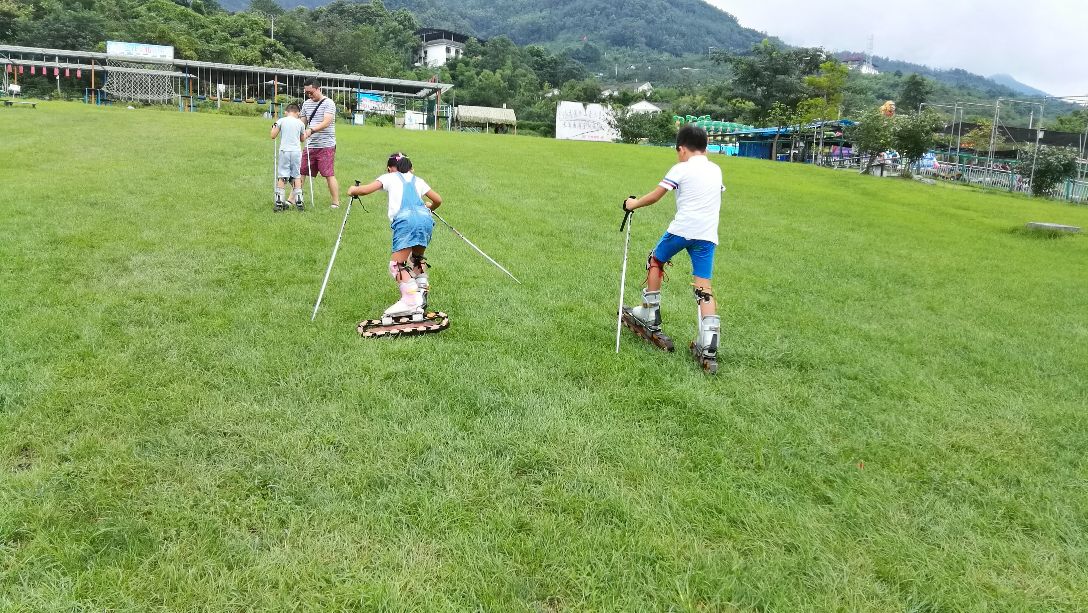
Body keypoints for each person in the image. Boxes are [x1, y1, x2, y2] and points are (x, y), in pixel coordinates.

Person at [622, 124, 724, 361]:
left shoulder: (681, 168)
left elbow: (656, 195)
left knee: (656, 259)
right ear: (705, 147)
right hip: (707, 235)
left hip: (683, 229)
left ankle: (649, 313)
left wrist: (632, 204)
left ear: (681, 149)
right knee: (703, 287)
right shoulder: (716, 169)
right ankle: (709, 341)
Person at [348, 153, 443, 319]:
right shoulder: (418, 180)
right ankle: (421, 287)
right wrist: (429, 207)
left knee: (396, 265)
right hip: (425, 220)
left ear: (390, 169)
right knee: (418, 258)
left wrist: (353, 190)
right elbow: (438, 200)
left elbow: (364, 190)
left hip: (405, 222)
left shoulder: (389, 177)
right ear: (410, 168)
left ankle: (411, 300)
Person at [300, 80, 341, 208]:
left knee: (328, 174)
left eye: (311, 92)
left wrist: (311, 130)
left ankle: (336, 202)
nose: (309, 95)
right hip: (310, 145)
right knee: (301, 172)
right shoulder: (306, 104)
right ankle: (293, 198)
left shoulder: (329, 103)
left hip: (326, 145)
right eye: (307, 93)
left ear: (318, 89)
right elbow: (303, 122)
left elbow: (326, 122)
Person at [270, 102, 306, 212]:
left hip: (284, 151)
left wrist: (273, 127)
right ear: (298, 113)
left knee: (282, 175)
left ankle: (279, 201)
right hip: (296, 152)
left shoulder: (281, 121)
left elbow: (273, 135)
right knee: (296, 175)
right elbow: (302, 139)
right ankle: (299, 200)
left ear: (286, 112)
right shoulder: (300, 123)